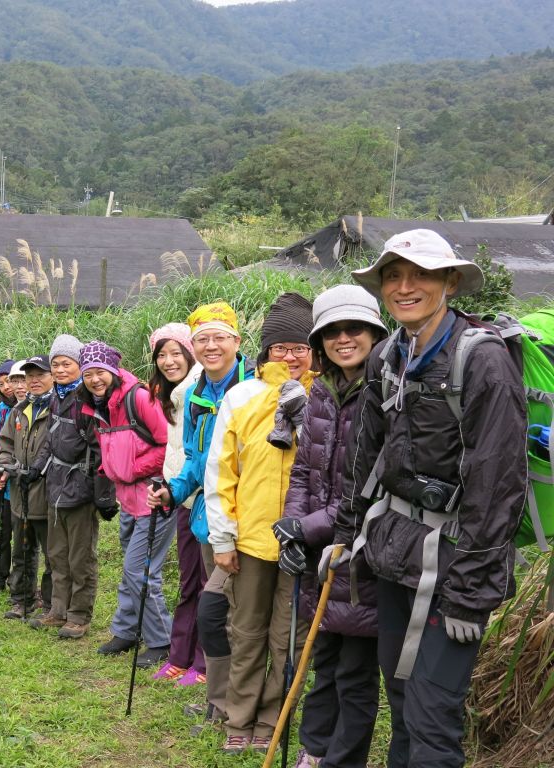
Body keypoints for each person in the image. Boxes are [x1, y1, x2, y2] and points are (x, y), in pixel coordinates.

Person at [331, 230, 527, 767]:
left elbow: (498, 483)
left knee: (432, 715)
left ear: (451, 281)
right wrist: (348, 536)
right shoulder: (389, 355)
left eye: (421, 274)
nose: (404, 285)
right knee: (401, 701)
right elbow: (364, 458)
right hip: (396, 553)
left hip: (457, 563)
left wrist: (472, 592)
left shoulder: (482, 361)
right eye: (392, 275)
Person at [274, 285, 388, 768]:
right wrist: (291, 526)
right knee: (323, 662)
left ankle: (343, 761)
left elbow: (366, 489)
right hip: (322, 550)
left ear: (375, 333)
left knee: (355, 673)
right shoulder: (321, 390)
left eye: (355, 328)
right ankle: (313, 751)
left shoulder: (386, 392)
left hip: (361, 553)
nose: (344, 339)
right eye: (333, 331)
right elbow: (304, 468)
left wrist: (309, 529)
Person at [205, 292, 317, 754]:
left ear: (314, 350)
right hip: (249, 540)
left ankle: (273, 717)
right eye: (280, 348)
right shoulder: (243, 396)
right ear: (266, 351)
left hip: (303, 543)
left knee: (286, 639)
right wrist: (222, 538)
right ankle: (240, 716)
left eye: (300, 348)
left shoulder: (323, 397)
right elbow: (221, 472)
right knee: (246, 631)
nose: (290, 357)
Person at [148, 303, 251, 732]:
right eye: (203, 339)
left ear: (236, 342)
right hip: (207, 523)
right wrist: (173, 490)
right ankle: (219, 704)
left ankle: (239, 709)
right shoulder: (195, 394)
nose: (210, 346)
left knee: (235, 618)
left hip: (247, 523)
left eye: (219, 337)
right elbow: (195, 458)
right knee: (218, 616)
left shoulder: (253, 389)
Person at [78, 341, 172, 665]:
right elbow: (116, 446)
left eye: (100, 371)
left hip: (154, 497)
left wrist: (132, 468)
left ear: (113, 370)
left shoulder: (139, 398)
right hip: (127, 498)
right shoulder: (98, 405)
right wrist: (111, 469)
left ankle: (161, 640)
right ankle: (127, 631)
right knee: (131, 571)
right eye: (87, 373)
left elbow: (168, 446)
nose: (94, 379)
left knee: (139, 571)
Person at [29, 334, 113, 639]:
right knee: (57, 554)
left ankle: (79, 615)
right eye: (56, 364)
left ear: (80, 365)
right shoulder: (56, 398)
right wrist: (36, 469)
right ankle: (58, 610)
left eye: (67, 363)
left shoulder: (87, 401)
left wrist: (102, 494)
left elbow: (103, 450)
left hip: (81, 488)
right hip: (55, 487)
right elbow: (50, 443)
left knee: (80, 557)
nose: (61, 369)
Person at [144, 323, 205, 683]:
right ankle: (181, 654)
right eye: (162, 355)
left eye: (175, 353)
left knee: (205, 586)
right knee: (188, 580)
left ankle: (202, 662)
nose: (168, 361)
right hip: (182, 497)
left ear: (190, 354)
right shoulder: (172, 395)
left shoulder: (199, 390)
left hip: (203, 499)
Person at [0, 355, 54, 620]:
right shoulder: (19, 410)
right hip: (19, 492)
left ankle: (52, 604)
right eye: (29, 376)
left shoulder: (58, 409)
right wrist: (5, 466)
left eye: (40, 375)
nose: (34, 380)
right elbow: (4, 444)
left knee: (53, 555)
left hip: (48, 492)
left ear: (51, 377)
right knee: (22, 548)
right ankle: (22, 600)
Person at [0, 360, 20, 592]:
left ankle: (18, 582)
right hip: (3, 475)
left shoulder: (27, 406)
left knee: (21, 537)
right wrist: (1, 464)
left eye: (10, 381)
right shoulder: (3, 408)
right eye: (2, 384)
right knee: (2, 532)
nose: (7, 387)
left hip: (22, 479)